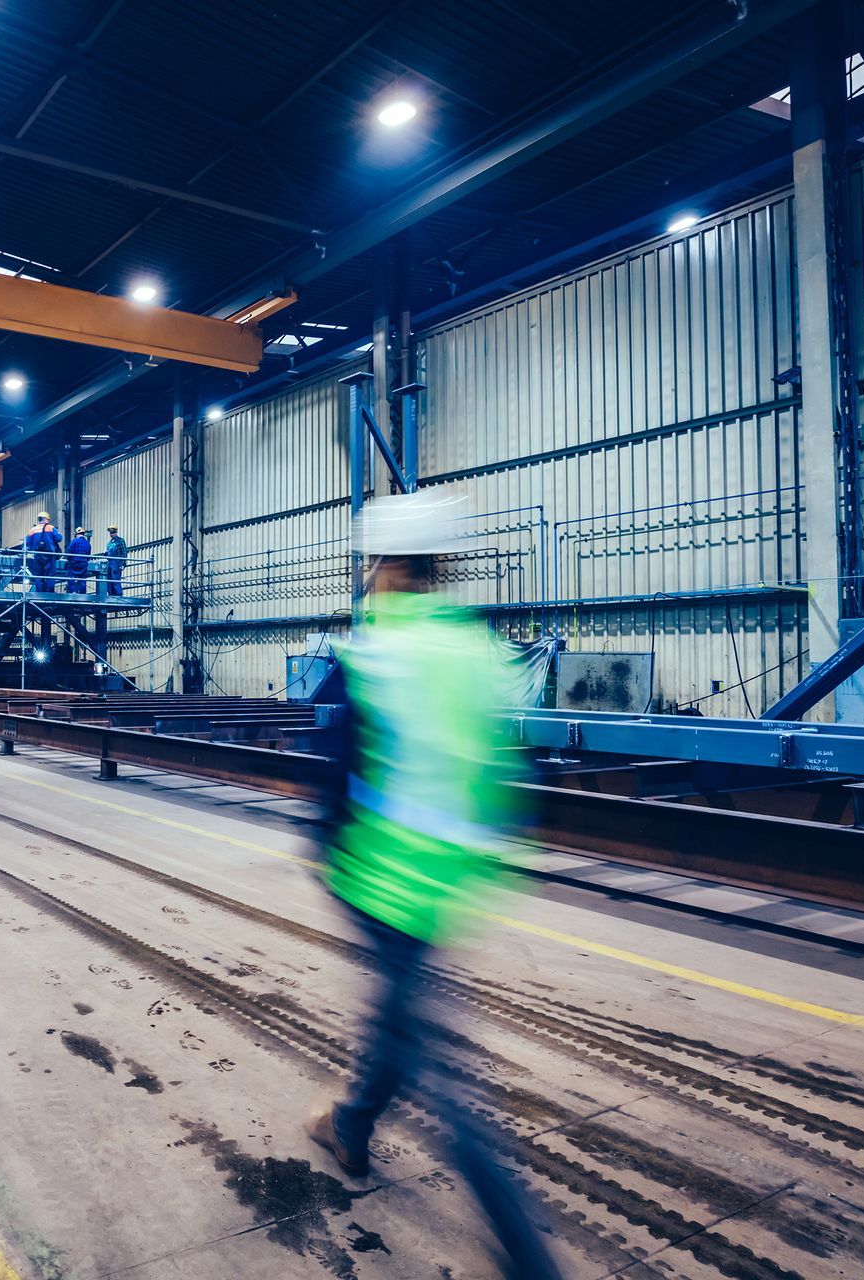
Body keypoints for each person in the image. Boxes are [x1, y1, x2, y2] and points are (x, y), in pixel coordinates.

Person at [304, 490, 558, 1279]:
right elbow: (509, 775)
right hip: (449, 881)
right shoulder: (473, 647)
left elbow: (337, 784)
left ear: (383, 569)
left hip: (382, 881)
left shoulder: (373, 655)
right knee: (398, 1020)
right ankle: (350, 1123)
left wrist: (326, 854)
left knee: (445, 1075)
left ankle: (528, 1259)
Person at [24, 511, 61, 593]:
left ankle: (39, 593)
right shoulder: (51, 528)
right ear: (46, 519)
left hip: (37, 555)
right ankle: (49, 594)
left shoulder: (32, 530)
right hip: (49, 555)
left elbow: (26, 544)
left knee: (38, 575)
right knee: (50, 575)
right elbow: (59, 538)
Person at [64, 527, 92, 594]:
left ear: (76, 534)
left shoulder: (74, 541)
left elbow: (69, 552)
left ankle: (72, 592)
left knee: (71, 577)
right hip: (83, 564)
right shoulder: (87, 543)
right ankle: (82, 593)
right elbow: (88, 555)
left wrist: (68, 559)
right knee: (82, 578)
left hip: (74, 563)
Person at [102, 526, 128, 597]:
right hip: (110, 563)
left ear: (116, 532)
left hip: (117, 562)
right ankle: (111, 594)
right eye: (110, 533)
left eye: (112, 533)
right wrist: (106, 553)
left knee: (115, 579)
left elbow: (124, 552)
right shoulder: (109, 543)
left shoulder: (120, 540)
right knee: (109, 580)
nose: (111, 534)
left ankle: (118, 594)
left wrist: (123, 562)